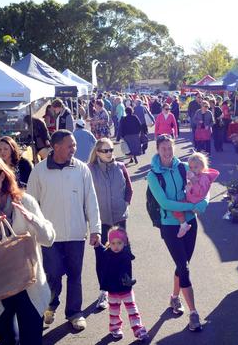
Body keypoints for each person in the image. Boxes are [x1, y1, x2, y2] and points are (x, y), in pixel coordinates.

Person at [0, 154, 55, 344]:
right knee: (8, 341)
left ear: (3, 175)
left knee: (32, 340)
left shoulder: (25, 201)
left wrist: (33, 220)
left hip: (29, 285)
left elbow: (48, 239)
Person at [27, 129, 101, 331]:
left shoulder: (82, 169)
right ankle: (50, 306)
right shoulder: (39, 171)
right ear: (56, 146)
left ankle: (75, 313)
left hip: (76, 234)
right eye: (70, 146)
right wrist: (31, 233)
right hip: (49, 237)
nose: (74, 149)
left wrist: (95, 229)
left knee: (75, 275)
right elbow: (30, 205)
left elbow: (91, 200)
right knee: (53, 275)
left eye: (74, 145)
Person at [147, 134, 208, 332]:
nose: (167, 152)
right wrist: (190, 206)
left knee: (183, 264)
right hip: (170, 225)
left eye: (170, 148)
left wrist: (204, 201)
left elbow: (203, 182)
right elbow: (163, 203)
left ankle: (174, 298)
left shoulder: (183, 166)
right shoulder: (153, 175)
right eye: (163, 148)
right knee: (184, 266)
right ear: (157, 149)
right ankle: (193, 313)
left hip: (190, 223)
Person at [88, 138, 133, 310]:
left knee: (124, 252)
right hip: (101, 221)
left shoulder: (120, 167)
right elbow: (86, 195)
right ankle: (104, 292)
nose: (109, 153)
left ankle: (125, 283)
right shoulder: (90, 170)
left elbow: (129, 189)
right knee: (103, 256)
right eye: (105, 150)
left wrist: (125, 204)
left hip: (119, 219)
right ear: (97, 152)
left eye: (111, 150)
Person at [94, 227, 149, 341]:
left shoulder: (126, 253)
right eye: (113, 243)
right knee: (114, 311)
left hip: (126, 288)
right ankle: (115, 328)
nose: (116, 246)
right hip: (113, 289)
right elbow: (100, 251)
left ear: (125, 243)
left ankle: (138, 329)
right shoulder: (106, 253)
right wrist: (97, 245)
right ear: (109, 243)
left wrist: (127, 244)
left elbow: (129, 251)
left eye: (119, 243)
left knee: (132, 310)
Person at [171, 152, 219, 238]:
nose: (193, 169)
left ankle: (183, 225)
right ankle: (183, 224)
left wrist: (193, 181)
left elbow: (200, 192)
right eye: (190, 167)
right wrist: (189, 188)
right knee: (177, 207)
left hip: (195, 201)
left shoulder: (204, 178)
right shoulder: (198, 175)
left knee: (176, 208)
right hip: (193, 199)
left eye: (196, 167)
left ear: (203, 167)